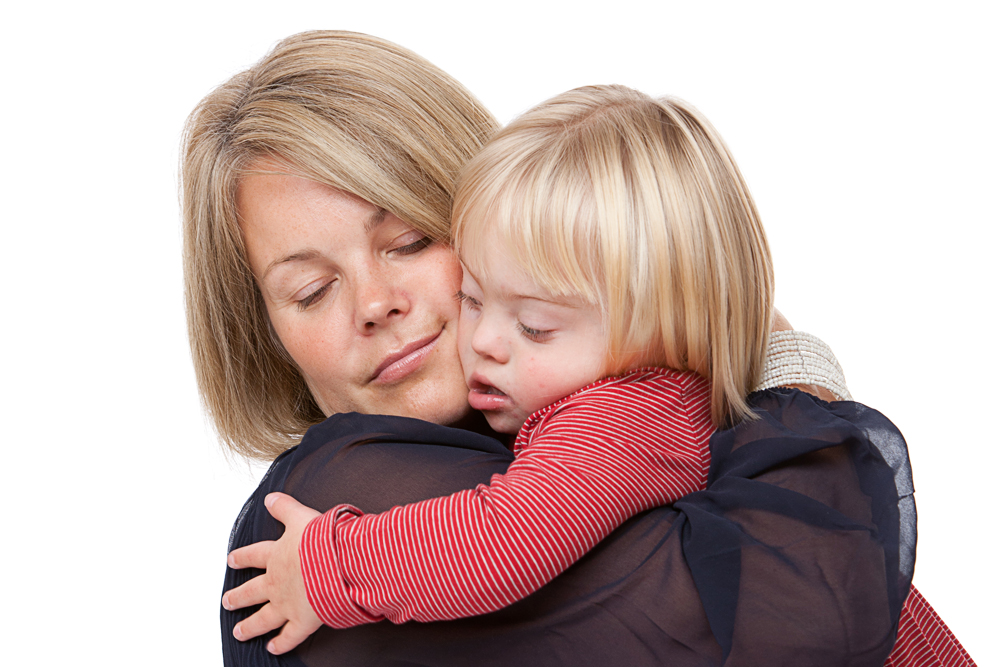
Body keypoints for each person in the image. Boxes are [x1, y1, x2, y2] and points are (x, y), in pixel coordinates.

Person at [182, 30, 974, 666]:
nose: (375, 303)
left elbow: (508, 537)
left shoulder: (613, 415)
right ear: (262, 333)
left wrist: (333, 564)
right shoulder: (333, 490)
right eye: (310, 290)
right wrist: (790, 375)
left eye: (412, 239)